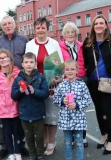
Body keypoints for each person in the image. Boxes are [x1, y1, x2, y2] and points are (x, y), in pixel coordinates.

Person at [0, 15, 29, 159]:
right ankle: (6, 147)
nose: (7, 26)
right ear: (2, 27)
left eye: (9, 23)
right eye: (4, 24)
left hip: (19, 82)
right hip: (2, 83)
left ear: (15, 24)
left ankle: (20, 145)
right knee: (4, 120)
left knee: (19, 117)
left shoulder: (24, 40)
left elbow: (28, 58)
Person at [25, 17, 63, 156]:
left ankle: (52, 142)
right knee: (41, 116)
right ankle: (45, 140)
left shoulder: (54, 43)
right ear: (34, 30)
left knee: (52, 116)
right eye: (38, 28)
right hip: (37, 85)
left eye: (43, 28)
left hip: (52, 85)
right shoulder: (29, 45)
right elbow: (27, 63)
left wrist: (59, 77)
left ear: (47, 29)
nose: (40, 30)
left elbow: (60, 64)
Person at [82, 15, 111, 155]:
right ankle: (103, 134)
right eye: (96, 23)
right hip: (93, 82)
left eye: (101, 23)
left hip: (107, 81)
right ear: (93, 26)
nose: (98, 25)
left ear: (105, 25)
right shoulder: (88, 42)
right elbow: (84, 60)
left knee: (106, 110)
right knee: (98, 109)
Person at [11, 52, 49, 160]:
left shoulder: (40, 77)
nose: (29, 64)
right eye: (26, 62)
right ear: (22, 64)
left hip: (38, 113)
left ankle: (40, 154)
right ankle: (32, 155)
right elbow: (13, 96)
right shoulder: (18, 79)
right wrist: (20, 91)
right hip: (24, 114)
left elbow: (45, 93)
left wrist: (35, 91)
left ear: (36, 64)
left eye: (31, 62)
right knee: (29, 137)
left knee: (39, 136)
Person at [53, 60, 92, 160]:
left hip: (78, 119)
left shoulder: (82, 85)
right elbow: (55, 100)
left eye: (72, 69)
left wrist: (77, 104)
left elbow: (88, 100)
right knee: (67, 141)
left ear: (77, 70)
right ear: (64, 71)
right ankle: (68, 158)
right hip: (65, 119)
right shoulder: (61, 85)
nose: (70, 72)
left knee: (79, 141)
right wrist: (62, 100)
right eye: (67, 69)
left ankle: (79, 158)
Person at [59, 22, 88, 148]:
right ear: (64, 34)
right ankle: (69, 138)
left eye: (73, 32)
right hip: (67, 80)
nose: (70, 34)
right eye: (68, 32)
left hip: (81, 79)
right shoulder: (59, 47)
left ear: (76, 34)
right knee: (68, 109)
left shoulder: (81, 46)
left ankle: (82, 137)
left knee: (80, 108)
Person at [0, 49, 21, 160]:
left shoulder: (17, 73)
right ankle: (11, 153)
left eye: (5, 57)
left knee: (17, 131)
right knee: (7, 132)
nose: (3, 60)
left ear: (10, 59)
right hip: (2, 108)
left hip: (15, 106)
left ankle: (18, 152)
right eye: (0, 58)